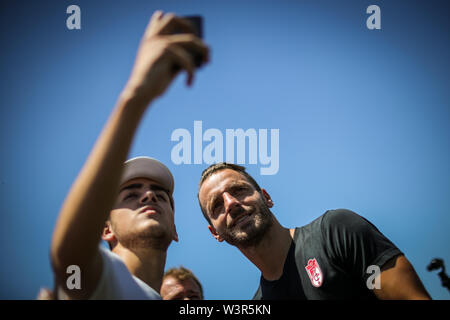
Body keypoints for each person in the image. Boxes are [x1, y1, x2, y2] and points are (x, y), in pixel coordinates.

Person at [50, 10, 209, 300]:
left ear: (175, 228)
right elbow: (69, 257)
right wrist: (136, 94)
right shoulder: (104, 280)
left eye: (160, 195)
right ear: (105, 229)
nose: (149, 196)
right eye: (131, 194)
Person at [197, 163, 432, 299]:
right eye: (217, 205)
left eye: (238, 190)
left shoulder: (337, 232)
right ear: (214, 233)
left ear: (266, 197)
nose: (231, 204)